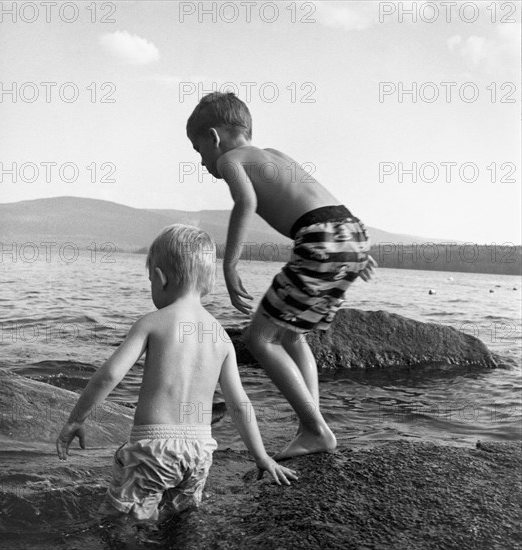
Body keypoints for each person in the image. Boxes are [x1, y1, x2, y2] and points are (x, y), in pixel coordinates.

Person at [56, 224, 297, 522]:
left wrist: (76, 419)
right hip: (199, 451)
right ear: (207, 283)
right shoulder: (221, 337)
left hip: (155, 447)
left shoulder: (152, 322)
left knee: (121, 522)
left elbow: (109, 375)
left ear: (160, 277)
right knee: (179, 522)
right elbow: (239, 404)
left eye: (150, 281)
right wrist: (262, 456)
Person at [187, 92, 376, 460]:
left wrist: (229, 264)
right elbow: (318, 196)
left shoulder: (230, 159)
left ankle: (315, 429)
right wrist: (354, 250)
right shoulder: (275, 154)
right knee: (292, 334)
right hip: (350, 230)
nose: (202, 160)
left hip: (319, 236)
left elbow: (246, 203)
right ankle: (313, 423)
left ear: (213, 136)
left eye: (198, 151)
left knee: (260, 339)